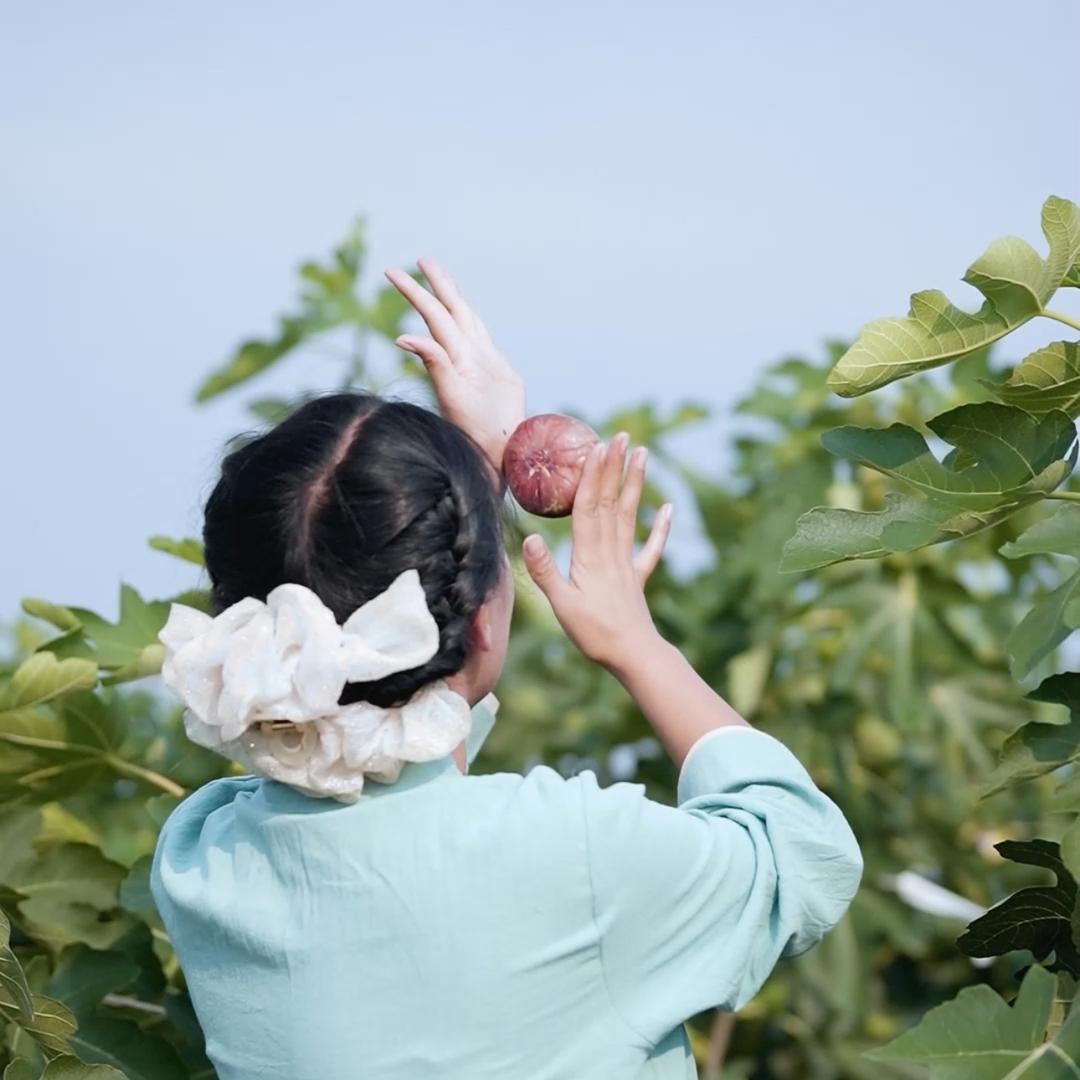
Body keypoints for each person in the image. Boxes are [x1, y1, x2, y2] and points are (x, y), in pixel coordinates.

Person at [150, 257, 863, 1080]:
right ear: (486, 617)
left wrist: (465, 500)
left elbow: (390, 791)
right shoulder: (579, 860)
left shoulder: (202, 856)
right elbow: (802, 855)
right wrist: (635, 641)